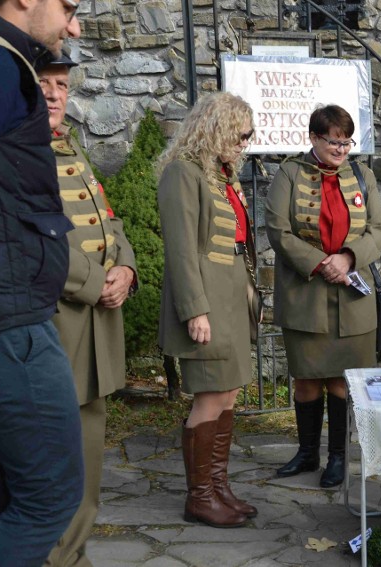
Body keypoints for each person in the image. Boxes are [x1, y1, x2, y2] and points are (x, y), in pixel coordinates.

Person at [0, 1, 84, 565]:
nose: (73, 27)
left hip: (3, 317)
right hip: (10, 326)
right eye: (68, 7)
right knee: (50, 497)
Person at [39, 53, 138, 567]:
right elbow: (37, 243)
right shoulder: (14, 151)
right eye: (42, 83)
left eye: (61, 83)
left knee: (88, 461)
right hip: (56, 330)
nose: (55, 93)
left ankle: (73, 554)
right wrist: (98, 281)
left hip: (94, 333)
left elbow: (110, 222)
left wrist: (126, 269)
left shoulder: (69, 147)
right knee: (52, 465)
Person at [265, 104, 381, 488]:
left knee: (341, 381)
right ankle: (306, 454)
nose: (341, 149)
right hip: (306, 295)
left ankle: (337, 457)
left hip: (352, 298)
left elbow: (379, 228)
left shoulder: (361, 174)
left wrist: (348, 258)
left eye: (346, 142)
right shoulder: (289, 173)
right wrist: (321, 263)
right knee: (306, 380)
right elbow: (278, 230)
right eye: (333, 142)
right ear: (314, 138)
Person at [157, 92, 261, 528]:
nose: (244, 143)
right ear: (214, 128)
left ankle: (218, 486)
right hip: (206, 301)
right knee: (210, 394)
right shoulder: (183, 173)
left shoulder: (221, 176)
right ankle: (200, 497)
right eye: (239, 135)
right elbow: (181, 250)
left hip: (232, 297)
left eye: (248, 136)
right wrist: (194, 310)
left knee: (230, 391)